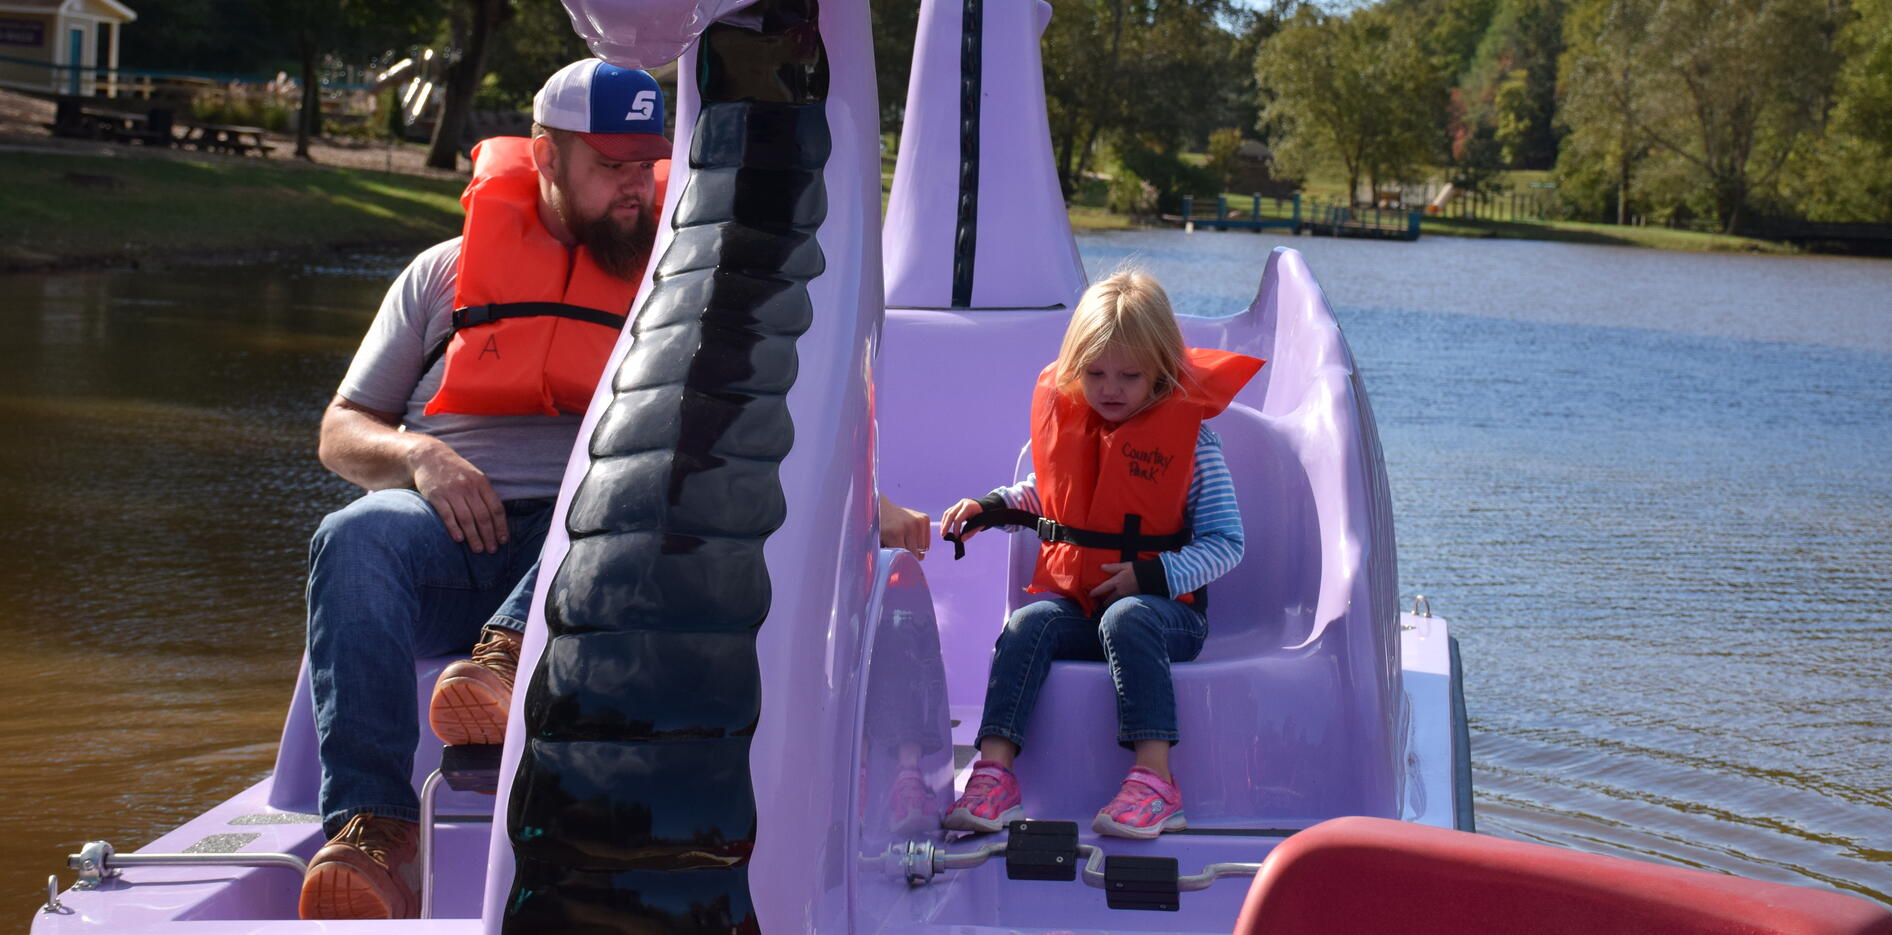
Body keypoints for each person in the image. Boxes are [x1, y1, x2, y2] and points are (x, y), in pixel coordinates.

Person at [297, 58, 933, 920]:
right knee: (354, 536)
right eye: (610, 165)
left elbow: (738, 432)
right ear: (546, 156)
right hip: (446, 534)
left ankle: (509, 656)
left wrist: (864, 503)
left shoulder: (680, 291)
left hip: (599, 564)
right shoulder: (441, 275)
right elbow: (341, 430)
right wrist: (420, 458)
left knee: (625, 492)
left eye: (646, 163)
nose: (636, 187)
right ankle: (375, 830)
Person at [938, 270, 1263, 841]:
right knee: (1027, 624)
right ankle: (995, 774)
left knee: (1128, 615)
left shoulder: (1195, 445)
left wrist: (1152, 574)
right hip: (1080, 607)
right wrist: (986, 508)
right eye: (1094, 374)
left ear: (1161, 371)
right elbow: (1045, 497)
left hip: (1167, 618)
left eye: (1129, 376)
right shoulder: (1074, 428)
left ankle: (1157, 782)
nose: (1110, 389)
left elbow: (1226, 544)